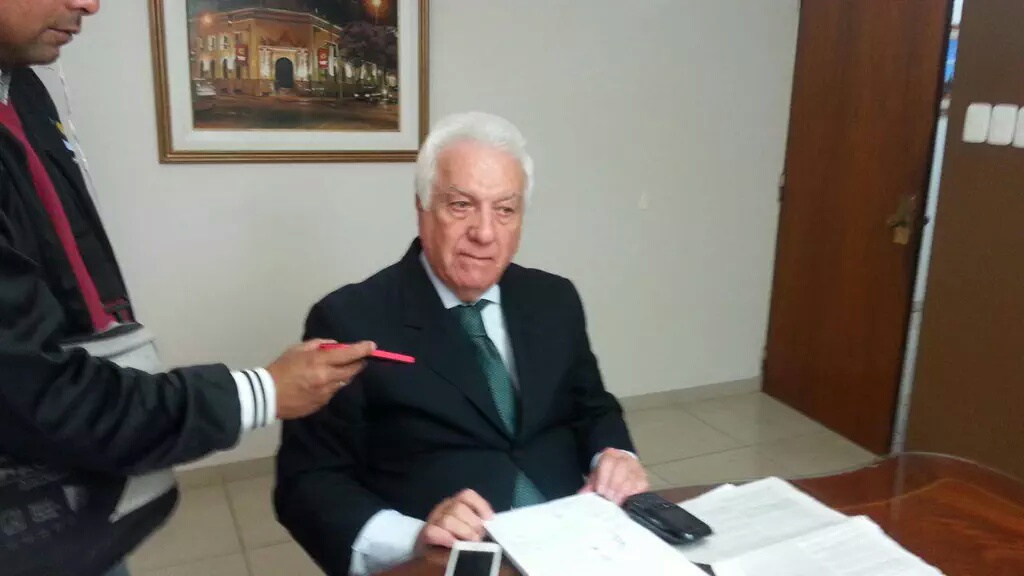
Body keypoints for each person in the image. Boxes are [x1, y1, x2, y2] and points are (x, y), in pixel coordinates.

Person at [0, 2, 375, 575]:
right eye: (458, 204)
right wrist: (262, 391)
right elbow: (38, 392)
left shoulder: (24, 87)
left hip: (81, 498)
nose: (90, 4)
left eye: (506, 208)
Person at [274, 111, 650, 575]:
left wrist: (616, 456)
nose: (485, 233)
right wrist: (412, 537)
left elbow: (592, 408)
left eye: (505, 210)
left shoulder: (555, 299)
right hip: (449, 560)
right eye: (461, 205)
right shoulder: (349, 319)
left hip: (580, 543)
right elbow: (308, 484)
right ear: (422, 207)